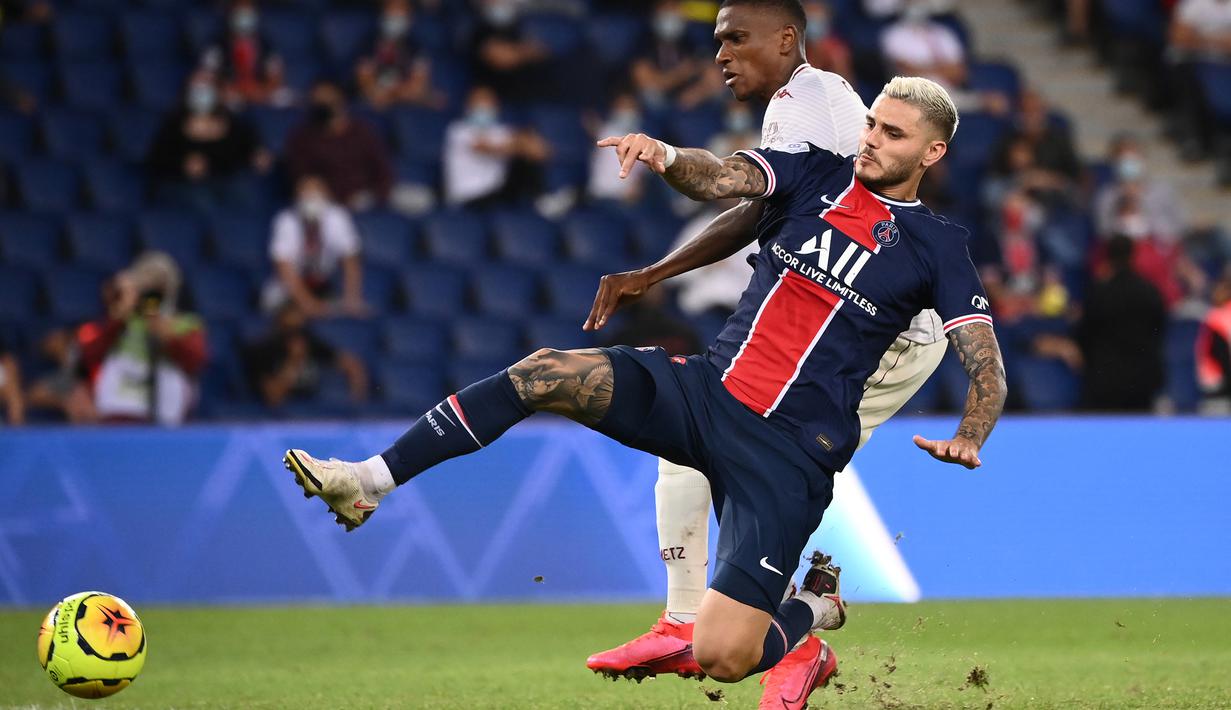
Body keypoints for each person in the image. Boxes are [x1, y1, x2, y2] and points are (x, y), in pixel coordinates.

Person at [282, 69, 1005, 710]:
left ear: (931, 154)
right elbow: (722, 178)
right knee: (545, 371)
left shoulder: (935, 246)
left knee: (724, 658)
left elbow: (983, 360)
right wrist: (662, 156)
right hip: (707, 394)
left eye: (893, 133)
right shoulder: (815, 173)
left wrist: (970, 435)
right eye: (872, 122)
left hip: (787, 454)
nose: (872, 139)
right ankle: (366, 478)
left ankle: (813, 608)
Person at [586, 2, 953, 706]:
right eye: (716, 40)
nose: (719, 54)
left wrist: (659, 205)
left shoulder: (809, 100)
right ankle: (784, 626)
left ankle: (750, 619)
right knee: (717, 445)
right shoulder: (804, 105)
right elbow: (760, 210)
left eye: (735, 38)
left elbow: (743, 198)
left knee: (727, 441)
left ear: (786, 39)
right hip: (860, 326)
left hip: (879, 332)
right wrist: (653, 275)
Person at [79, 253, 208, 425]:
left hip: (164, 411)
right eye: (147, 287)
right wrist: (118, 317)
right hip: (119, 410)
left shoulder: (185, 324)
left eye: (158, 289)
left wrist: (164, 332)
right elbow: (90, 355)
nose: (152, 297)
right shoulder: (120, 321)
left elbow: (195, 361)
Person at [146, 70, 273, 212]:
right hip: (186, 187)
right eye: (197, 88)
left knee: (247, 193)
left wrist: (258, 156)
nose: (202, 92)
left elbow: (251, 150)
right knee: (202, 200)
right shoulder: (173, 125)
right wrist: (183, 166)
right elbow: (157, 162)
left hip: (229, 182)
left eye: (206, 87)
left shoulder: (234, 124)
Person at [1077, 235, 1166, 412]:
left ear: (1108, 257)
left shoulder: (1099, 293)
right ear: (1132, 255)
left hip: (1105, 381)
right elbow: (1161, 330)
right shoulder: (1150, 292)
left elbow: (1084, 334)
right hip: (1142, 381)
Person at [262, 175, 368, 319]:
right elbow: (283, 265)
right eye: (305, 192)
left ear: (327, 194)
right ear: (297, 196)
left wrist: (352, 297)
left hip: (325, 286)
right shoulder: (285, 220)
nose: (311, 197)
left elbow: (350, 258)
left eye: (316, 191)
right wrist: (307, 302)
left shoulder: (337, 217)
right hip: (289, 290)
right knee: (292, 315)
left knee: (357, 314)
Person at [286, 80, 393, 211]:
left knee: (418, 199)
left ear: (340, 102)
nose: (323, 105)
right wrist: (333, 198)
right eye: (318, 102)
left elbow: (383, 171)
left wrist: (376, 195)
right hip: (327, 204)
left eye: (328, 100)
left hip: (365, 198)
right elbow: (302, 178)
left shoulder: (362, 132)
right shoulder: (303, 137)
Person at [245, 302, 368, 410]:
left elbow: (352, 365)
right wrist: (293, 361)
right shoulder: (264, 350)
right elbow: (273, 398)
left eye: (300, 329)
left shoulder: (309, 341)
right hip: (280, 414)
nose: (296, 336)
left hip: (313, 407)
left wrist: (355, 405)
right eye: (290, 331)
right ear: (279, 326)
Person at [442, 86, 550, 208]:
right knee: (521, 155)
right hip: (468, 196)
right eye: (479, 101)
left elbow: (542, 153)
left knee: (527, 160)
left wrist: (525, 143)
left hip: (497, 194)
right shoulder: (459, 130)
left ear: (496, 106)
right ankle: (542, 200)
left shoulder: (501, 130)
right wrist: (517, 147)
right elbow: (482, 148)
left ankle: (543, 201)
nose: (484, 106)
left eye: (488, 101)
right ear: (468, 104)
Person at [199, 0, 292, 108]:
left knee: (284, 96)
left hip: (258, 90)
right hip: (229, 92)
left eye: (248, 12)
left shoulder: (266, 44)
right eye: (240, 12)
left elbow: (276, 75)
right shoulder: (218, 45)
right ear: (231, 14)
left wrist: (262, 90)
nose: (244, 17)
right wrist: (226, 88)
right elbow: (207, 74)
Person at [356, 0, 444, 111]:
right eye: (392, 11)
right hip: (376, 103)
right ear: (383, 14)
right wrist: (378, 93)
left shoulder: (417, 46)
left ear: (409, 17)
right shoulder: (369, 43)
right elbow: (365, 80)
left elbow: (418, 85)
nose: (396, 15)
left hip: (406, 103)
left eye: (400, 11)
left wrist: (394, 94)